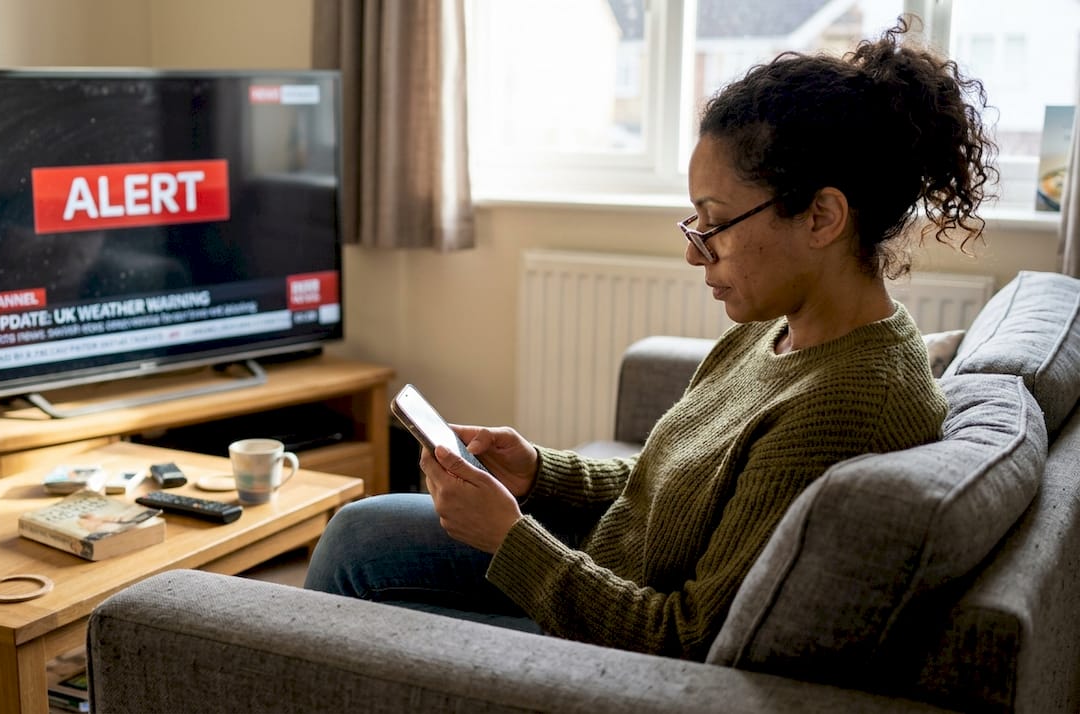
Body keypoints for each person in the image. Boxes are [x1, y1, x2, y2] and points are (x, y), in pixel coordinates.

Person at [304, 18, 996, 660]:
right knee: (359, 531)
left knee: (348, 599)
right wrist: (541, 472)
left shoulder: (845, 406)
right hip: (602, 566)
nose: (697, 253)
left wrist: (509, 537)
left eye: (714, 222)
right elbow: (671, 489)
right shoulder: (784, 330)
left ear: (821, 216)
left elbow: (685, 638)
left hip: (612, 638)